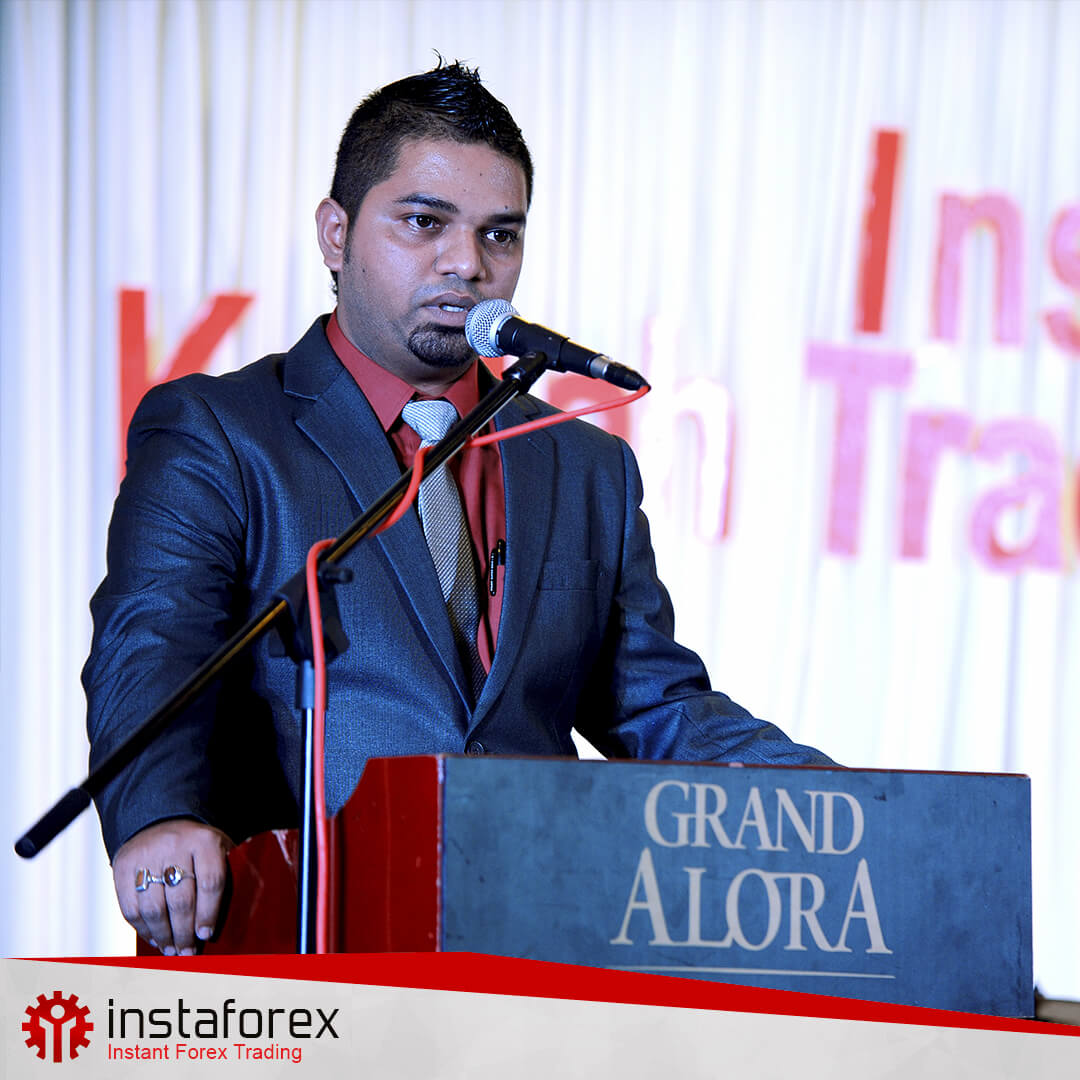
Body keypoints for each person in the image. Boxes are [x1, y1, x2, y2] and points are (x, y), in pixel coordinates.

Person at [84, 61, 833, 958]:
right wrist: (157, 814)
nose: (467, 264)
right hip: (304, 941)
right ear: (335, 233)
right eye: (424, 222)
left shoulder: (585, 465)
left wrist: (842, 804)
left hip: (537, 950)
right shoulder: (220, 430)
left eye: (499, 234)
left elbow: (656, 706)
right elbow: (152, 644)